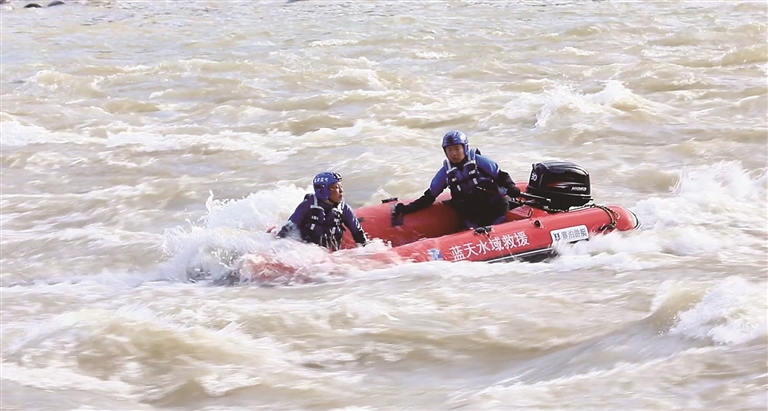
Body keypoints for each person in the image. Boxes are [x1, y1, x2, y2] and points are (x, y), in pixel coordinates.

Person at [394, 130, 522, 228]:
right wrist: (407, 208)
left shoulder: (478, 161)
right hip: (472, 216)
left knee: (499, 223)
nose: (454, 153)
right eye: (449, 150)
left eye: (457, 148)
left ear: (464, 148)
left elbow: (502, 175)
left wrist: (511, 187)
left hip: (495, 208)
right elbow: (429, 197)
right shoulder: (445, 172)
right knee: (470, 228)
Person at [276, 172, 368, 251]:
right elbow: (288, 229)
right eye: (336, 187)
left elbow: (358, 233)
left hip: (329, 254)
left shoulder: (344, 208)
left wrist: (365, 250)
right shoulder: (307, 206)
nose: (341, 191)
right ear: (323, 191)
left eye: (341, 186)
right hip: (306, 250)